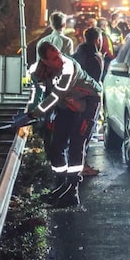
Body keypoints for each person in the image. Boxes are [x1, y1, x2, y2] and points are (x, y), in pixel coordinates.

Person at [26, 41, 103, 208]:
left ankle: (72, 191)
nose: (59, 59)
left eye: (59, 55)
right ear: (45, 61)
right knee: (56, 146)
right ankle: (61, 184)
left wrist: (33, 114)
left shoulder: (69, 67)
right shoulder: (39, 70)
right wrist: (31, 111)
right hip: (66, 105)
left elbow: (55, 96)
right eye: (54, 58)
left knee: (77, 144)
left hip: (88, 101)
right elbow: (37, 93)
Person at [71, 27, 105, 177]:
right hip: (89, 101)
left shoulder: (76, 55)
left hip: (74, 99)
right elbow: (95, 81)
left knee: (77, 132)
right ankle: (81, 166)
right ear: (98, 40)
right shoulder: (95, 58)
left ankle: (76, 163)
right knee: (84, 132)